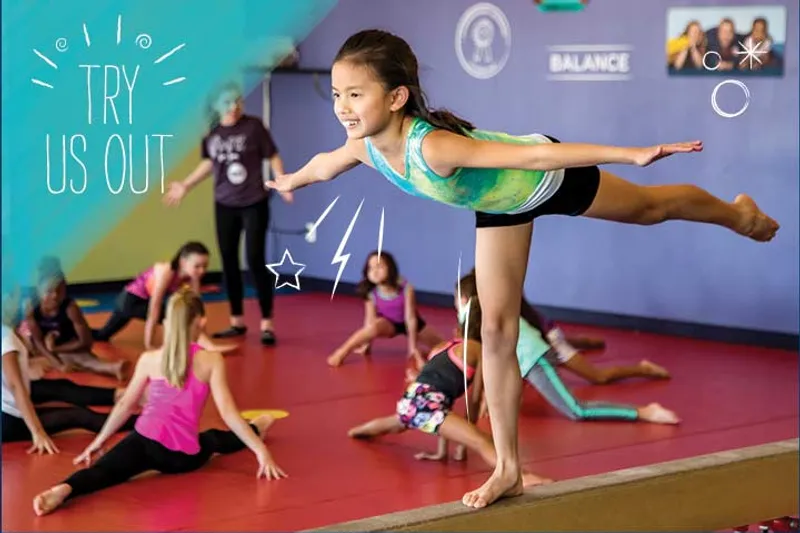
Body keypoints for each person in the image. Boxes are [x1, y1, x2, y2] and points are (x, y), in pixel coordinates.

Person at [265, 29, 779, 508]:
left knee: (650, 209)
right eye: (336, 94)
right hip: (500, 206)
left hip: (546, 178)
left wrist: (630, 153)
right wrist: (289, 180)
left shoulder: (433, 147)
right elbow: (323, 164)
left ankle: (738, 213)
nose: (342, 106)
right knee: (493, 327)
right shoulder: (367, 147)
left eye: (356, 93)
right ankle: (508, 467)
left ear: (396, 97)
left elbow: (533, 158)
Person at [32, 288, 287, 516]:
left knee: (103, 472)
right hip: (181, 458)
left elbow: (124, 406)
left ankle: (63, 489)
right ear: (201, 321)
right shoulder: (210, 360)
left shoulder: (149, 359)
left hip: (144, 440)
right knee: (211, 439)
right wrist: (260, 451)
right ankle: (259, 427)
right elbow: (229, 413)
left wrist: (97, 443)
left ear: (167, 322)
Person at [348, 296, 551, 491]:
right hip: (427, 405)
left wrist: (441, 452)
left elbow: (442, 402)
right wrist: (466, 440)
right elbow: (473, 400)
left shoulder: (443, 346)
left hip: (411, 400)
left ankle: (357, 431)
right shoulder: (478, 351)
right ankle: (521, 477)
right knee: (482, 441)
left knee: (397, 423)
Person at [163, 84, 293, 346]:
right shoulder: (212, 133)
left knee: (255, 259)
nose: (233, 107)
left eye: (236, 101)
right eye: (227, 103)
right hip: (225, 204)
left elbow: (272, 154)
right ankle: (237, 321)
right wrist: (185, 185)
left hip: (254, 202)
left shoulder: (254, 127)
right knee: (229, 261)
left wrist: (283, 180)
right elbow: (209, 163)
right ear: (217, 107)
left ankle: (267, 323)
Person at [458, 271, 679, 424]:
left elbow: (480, 358)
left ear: (465, 298)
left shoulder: (472, 313)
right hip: (525, 360)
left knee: (577, 410)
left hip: (535, 358)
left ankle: (643, 411)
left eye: (456, 299)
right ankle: (590, 343)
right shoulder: (484, 309)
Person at [2, 287, 135, 451]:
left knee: (62, 390)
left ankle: (123, 399)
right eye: (17, 298)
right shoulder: (6, 337)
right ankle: (143, 421)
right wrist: (38, 432)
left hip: (7, 409)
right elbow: (16, 387)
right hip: (7, 420)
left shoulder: (8, 330)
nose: (23, 305)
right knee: (79, 415)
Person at [328, 250, 445, 367]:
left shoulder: (406, 288)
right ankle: (341, 352)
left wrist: (412, 347)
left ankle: (427, 352)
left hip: (411, 323)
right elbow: (370, 321)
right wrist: (367, 345)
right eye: (370, 268)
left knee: (444, 348)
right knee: (373, 326)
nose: (374, 272)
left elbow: (410, 318)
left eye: (379, 267)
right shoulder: (371, 292)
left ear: (390, 268)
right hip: (389, 323)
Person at [91, 241, 216, 350]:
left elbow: (197, 306)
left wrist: (204, 330)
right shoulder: (166, 272)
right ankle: (177, 347)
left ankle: (75, 333)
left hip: (130, 300)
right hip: (130, 302)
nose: (202, 271)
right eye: (197, 266)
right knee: (175, 313)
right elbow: (154, 309)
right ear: (183, 262)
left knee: (102, 335)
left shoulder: (193, 275)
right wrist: (149, 344)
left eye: (205, 266)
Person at [519, 296, 670, 385]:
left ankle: (644, 368)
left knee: (599, 376)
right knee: (564, 341)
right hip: (543, 332)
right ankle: (589, 342)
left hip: (547, 340)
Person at [26, 268, 129, 381]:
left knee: (79, 358)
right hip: (39, 349)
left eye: (59, 290)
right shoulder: (32, 309)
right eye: (49, 291)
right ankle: (112, 368)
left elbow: (86, 342)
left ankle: (112, 368)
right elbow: (38, 342)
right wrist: (58, 364)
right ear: (40, 290)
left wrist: (56, 349)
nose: (55, 295)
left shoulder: (70, 308)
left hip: (69, 347)